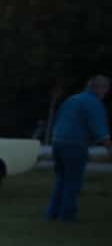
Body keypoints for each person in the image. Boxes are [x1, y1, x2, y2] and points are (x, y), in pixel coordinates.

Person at [48, 74, 109, 223]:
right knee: (73, 181)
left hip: (58, 143)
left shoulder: (72, 99)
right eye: (105, 88)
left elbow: (59, 119)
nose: (106, 93)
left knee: (61, 179)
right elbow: (100, 130)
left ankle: (52, 213)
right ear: (99, 88)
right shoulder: (93, 103)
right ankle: (67, 216)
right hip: (74, 145)